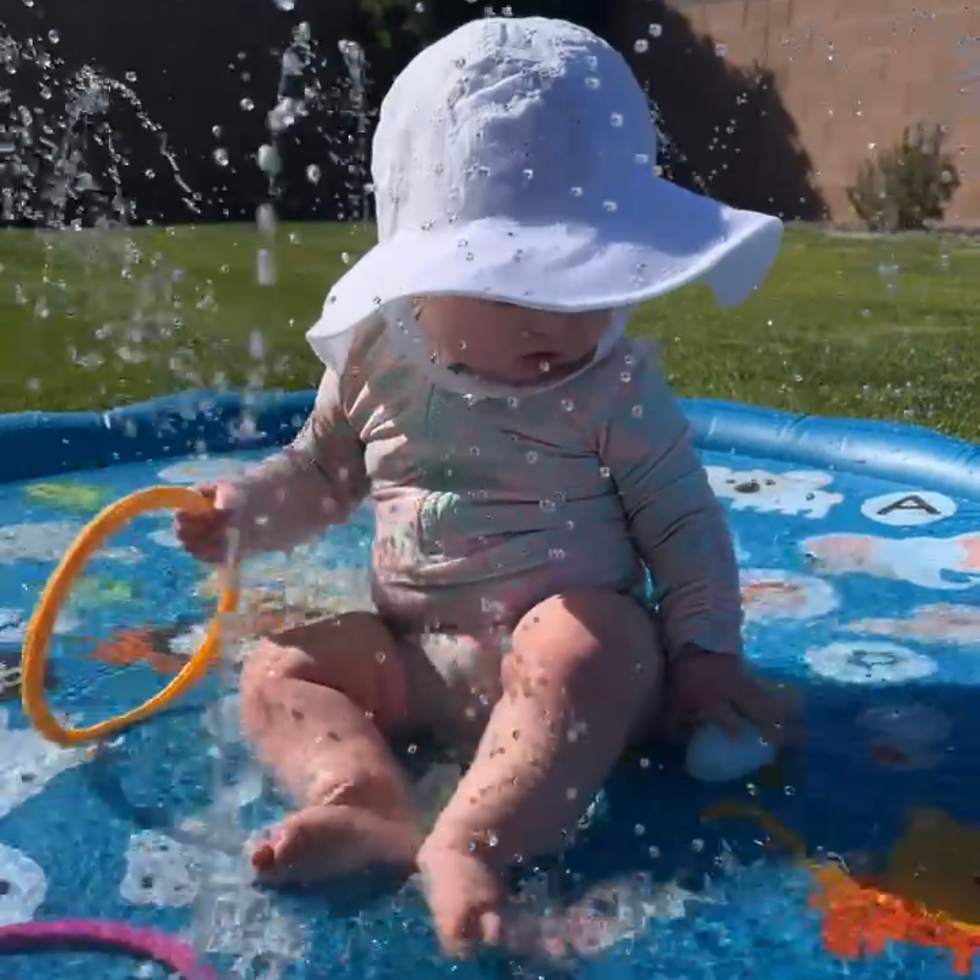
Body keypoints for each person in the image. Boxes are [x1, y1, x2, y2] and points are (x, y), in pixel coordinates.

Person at [175, 15, 791, 959]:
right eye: (514, 283)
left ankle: (470, 843)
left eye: (583, 278)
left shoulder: (614, 385)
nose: (560, 317)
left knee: (589, 638)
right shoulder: (377, 362)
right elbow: (318, 477)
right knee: (277, 670)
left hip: (565, 666)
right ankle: (362, 796)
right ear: (421, 266)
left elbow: (682, 524)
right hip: (412, 654)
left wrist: (704, 651)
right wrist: (243, 515)